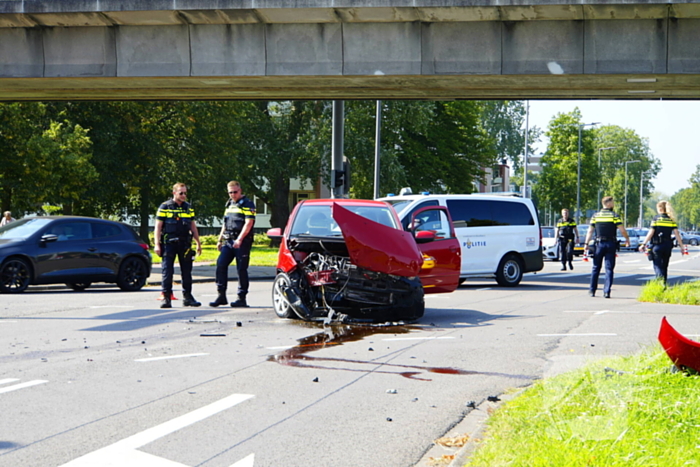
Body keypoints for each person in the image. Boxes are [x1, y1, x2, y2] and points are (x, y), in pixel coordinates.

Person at [154, 182, 202, 309]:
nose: (184, 195)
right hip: (169, 244)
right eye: (181, 193)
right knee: (167, 271)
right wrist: (157, 244)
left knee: (187, 272)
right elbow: (158, 227)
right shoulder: (165, 207)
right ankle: (166, 298)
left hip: (184, 243)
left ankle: (188, 297)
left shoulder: (188, 207)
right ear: (174, 193)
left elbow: (193, 226)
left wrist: (198, 243)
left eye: (185, 193)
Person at [209, 181, 256, 308]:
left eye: (235, 192)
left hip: (242, 241)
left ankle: (241, 298)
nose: (233, 195)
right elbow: (225, 223)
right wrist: (219, 239)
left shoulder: (248, 204)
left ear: (240, 190)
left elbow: (249, 223)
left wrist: (240, 239)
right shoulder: (229, 204)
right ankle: (221, 295)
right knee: (221, 264)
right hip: (228, 240)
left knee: (241, 269)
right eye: (230, 192)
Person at [584, 196, 630, 298]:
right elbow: (622, 230)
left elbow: (590, 231)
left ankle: (592, 290)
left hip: (598, 244)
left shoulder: (595, 216)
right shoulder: (614, 216)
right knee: (609, 268)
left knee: (596, 268)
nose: (613, 204)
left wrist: (586, 244)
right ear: (608, 203)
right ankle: (606, 291)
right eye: (612, 202)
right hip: (610, 244)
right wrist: (627, 238)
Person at [639, 200, 684, 285]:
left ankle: (660, 283)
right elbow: (677, 234)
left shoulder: (656, 219)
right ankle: (664, 284)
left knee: (657, 266)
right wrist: (682, 247)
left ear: (660, 209)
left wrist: (643, 244)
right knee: (665, 266)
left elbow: (651, 232)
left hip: (657, 245)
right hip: (667, 246)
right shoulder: (671, 220)